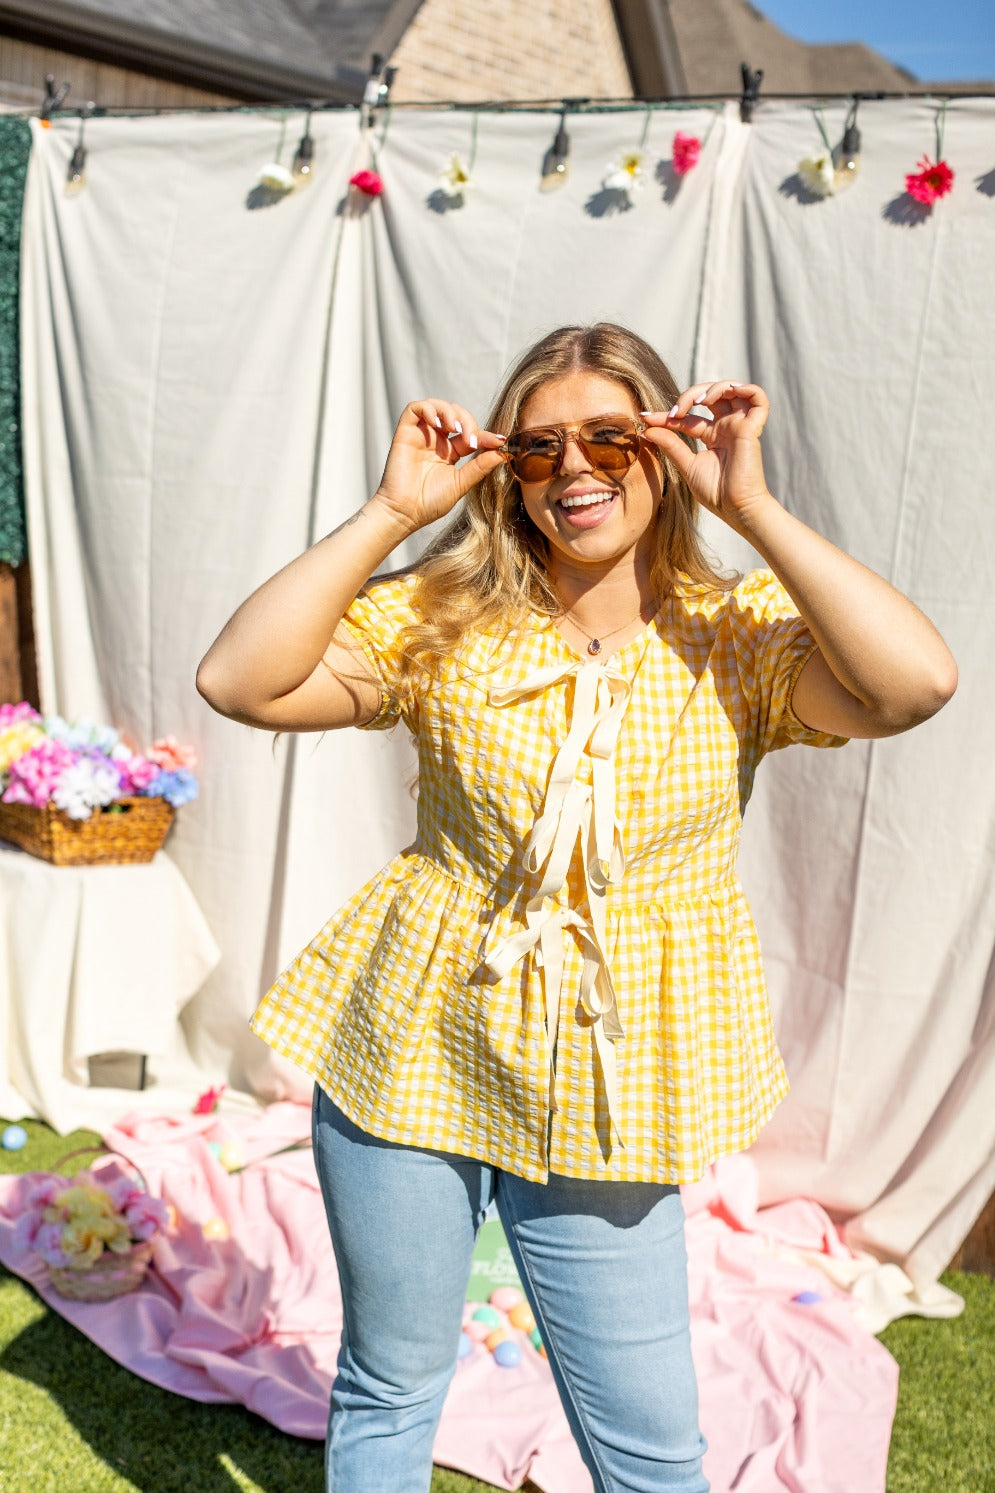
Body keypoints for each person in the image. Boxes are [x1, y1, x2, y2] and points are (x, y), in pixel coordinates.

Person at [196, 323, 957, 1493]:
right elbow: (237, 680)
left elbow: (915, 683)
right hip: (412, 1037)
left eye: (609, 437)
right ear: (508, 472)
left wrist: (751, 507)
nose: (573, 469)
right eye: (538, 448)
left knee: (650, 1444)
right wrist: (392, 512)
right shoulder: (440, 618)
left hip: (616, 1073)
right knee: (390, 1383)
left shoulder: (737, 634)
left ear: (665, 446)